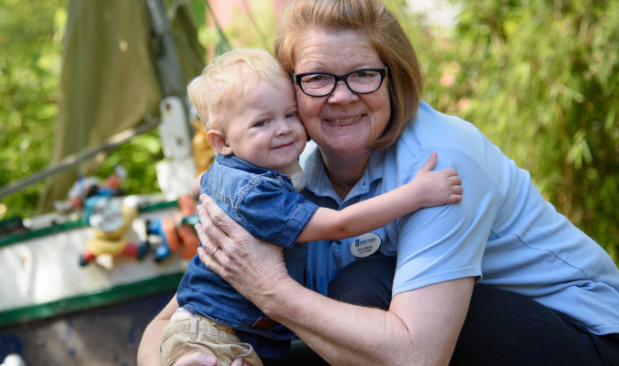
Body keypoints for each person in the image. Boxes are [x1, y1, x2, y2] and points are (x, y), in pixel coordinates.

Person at [139, 0, 619, 366]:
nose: (341, 95)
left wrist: (269, 289)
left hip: (587, 341)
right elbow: (167, 326)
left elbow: (417, 356)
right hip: (421, 341)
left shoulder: (441, 163)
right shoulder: (286, 174)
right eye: (318, 78)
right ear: (292, 91)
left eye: (364, 74)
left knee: (361, 286)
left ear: (396, 77)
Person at [160, 48, 463, 366]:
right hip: (213, 331)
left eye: (290, 114)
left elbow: (198, 186)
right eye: (262, 122)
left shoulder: (229, 170)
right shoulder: (259, 194)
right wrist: (415, 194)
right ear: (222, 143)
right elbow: (340, 224)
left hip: (229, 332)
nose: (283, 129)